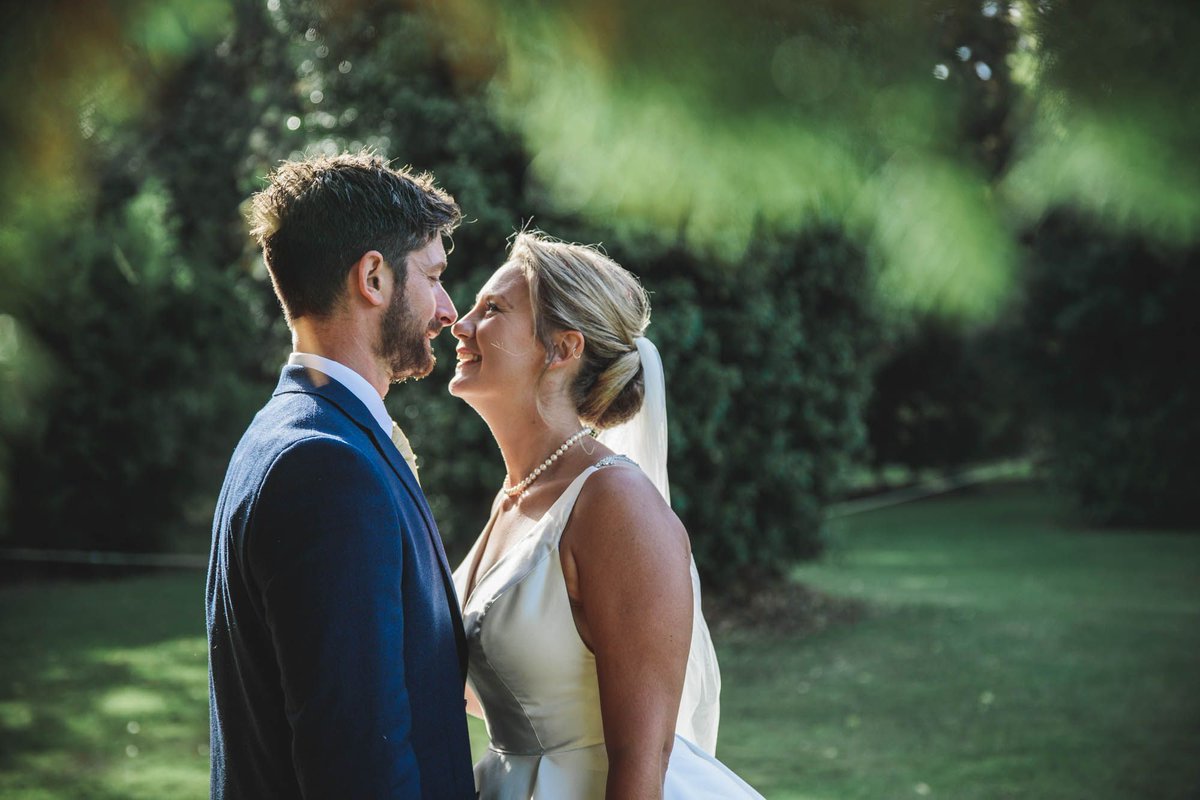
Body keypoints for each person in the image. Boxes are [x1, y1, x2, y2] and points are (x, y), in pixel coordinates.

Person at [448, 231, 763, 799]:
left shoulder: (616, 504)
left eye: (491, 310)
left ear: (563, 349)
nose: (460, 324)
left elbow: (645, 757)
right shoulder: (514, 496)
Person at [206, 152, 476, 799]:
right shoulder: (327, 468)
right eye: (434, 277)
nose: (447, 310)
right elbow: (357, 763)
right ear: (374, 278)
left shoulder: (291, 433)